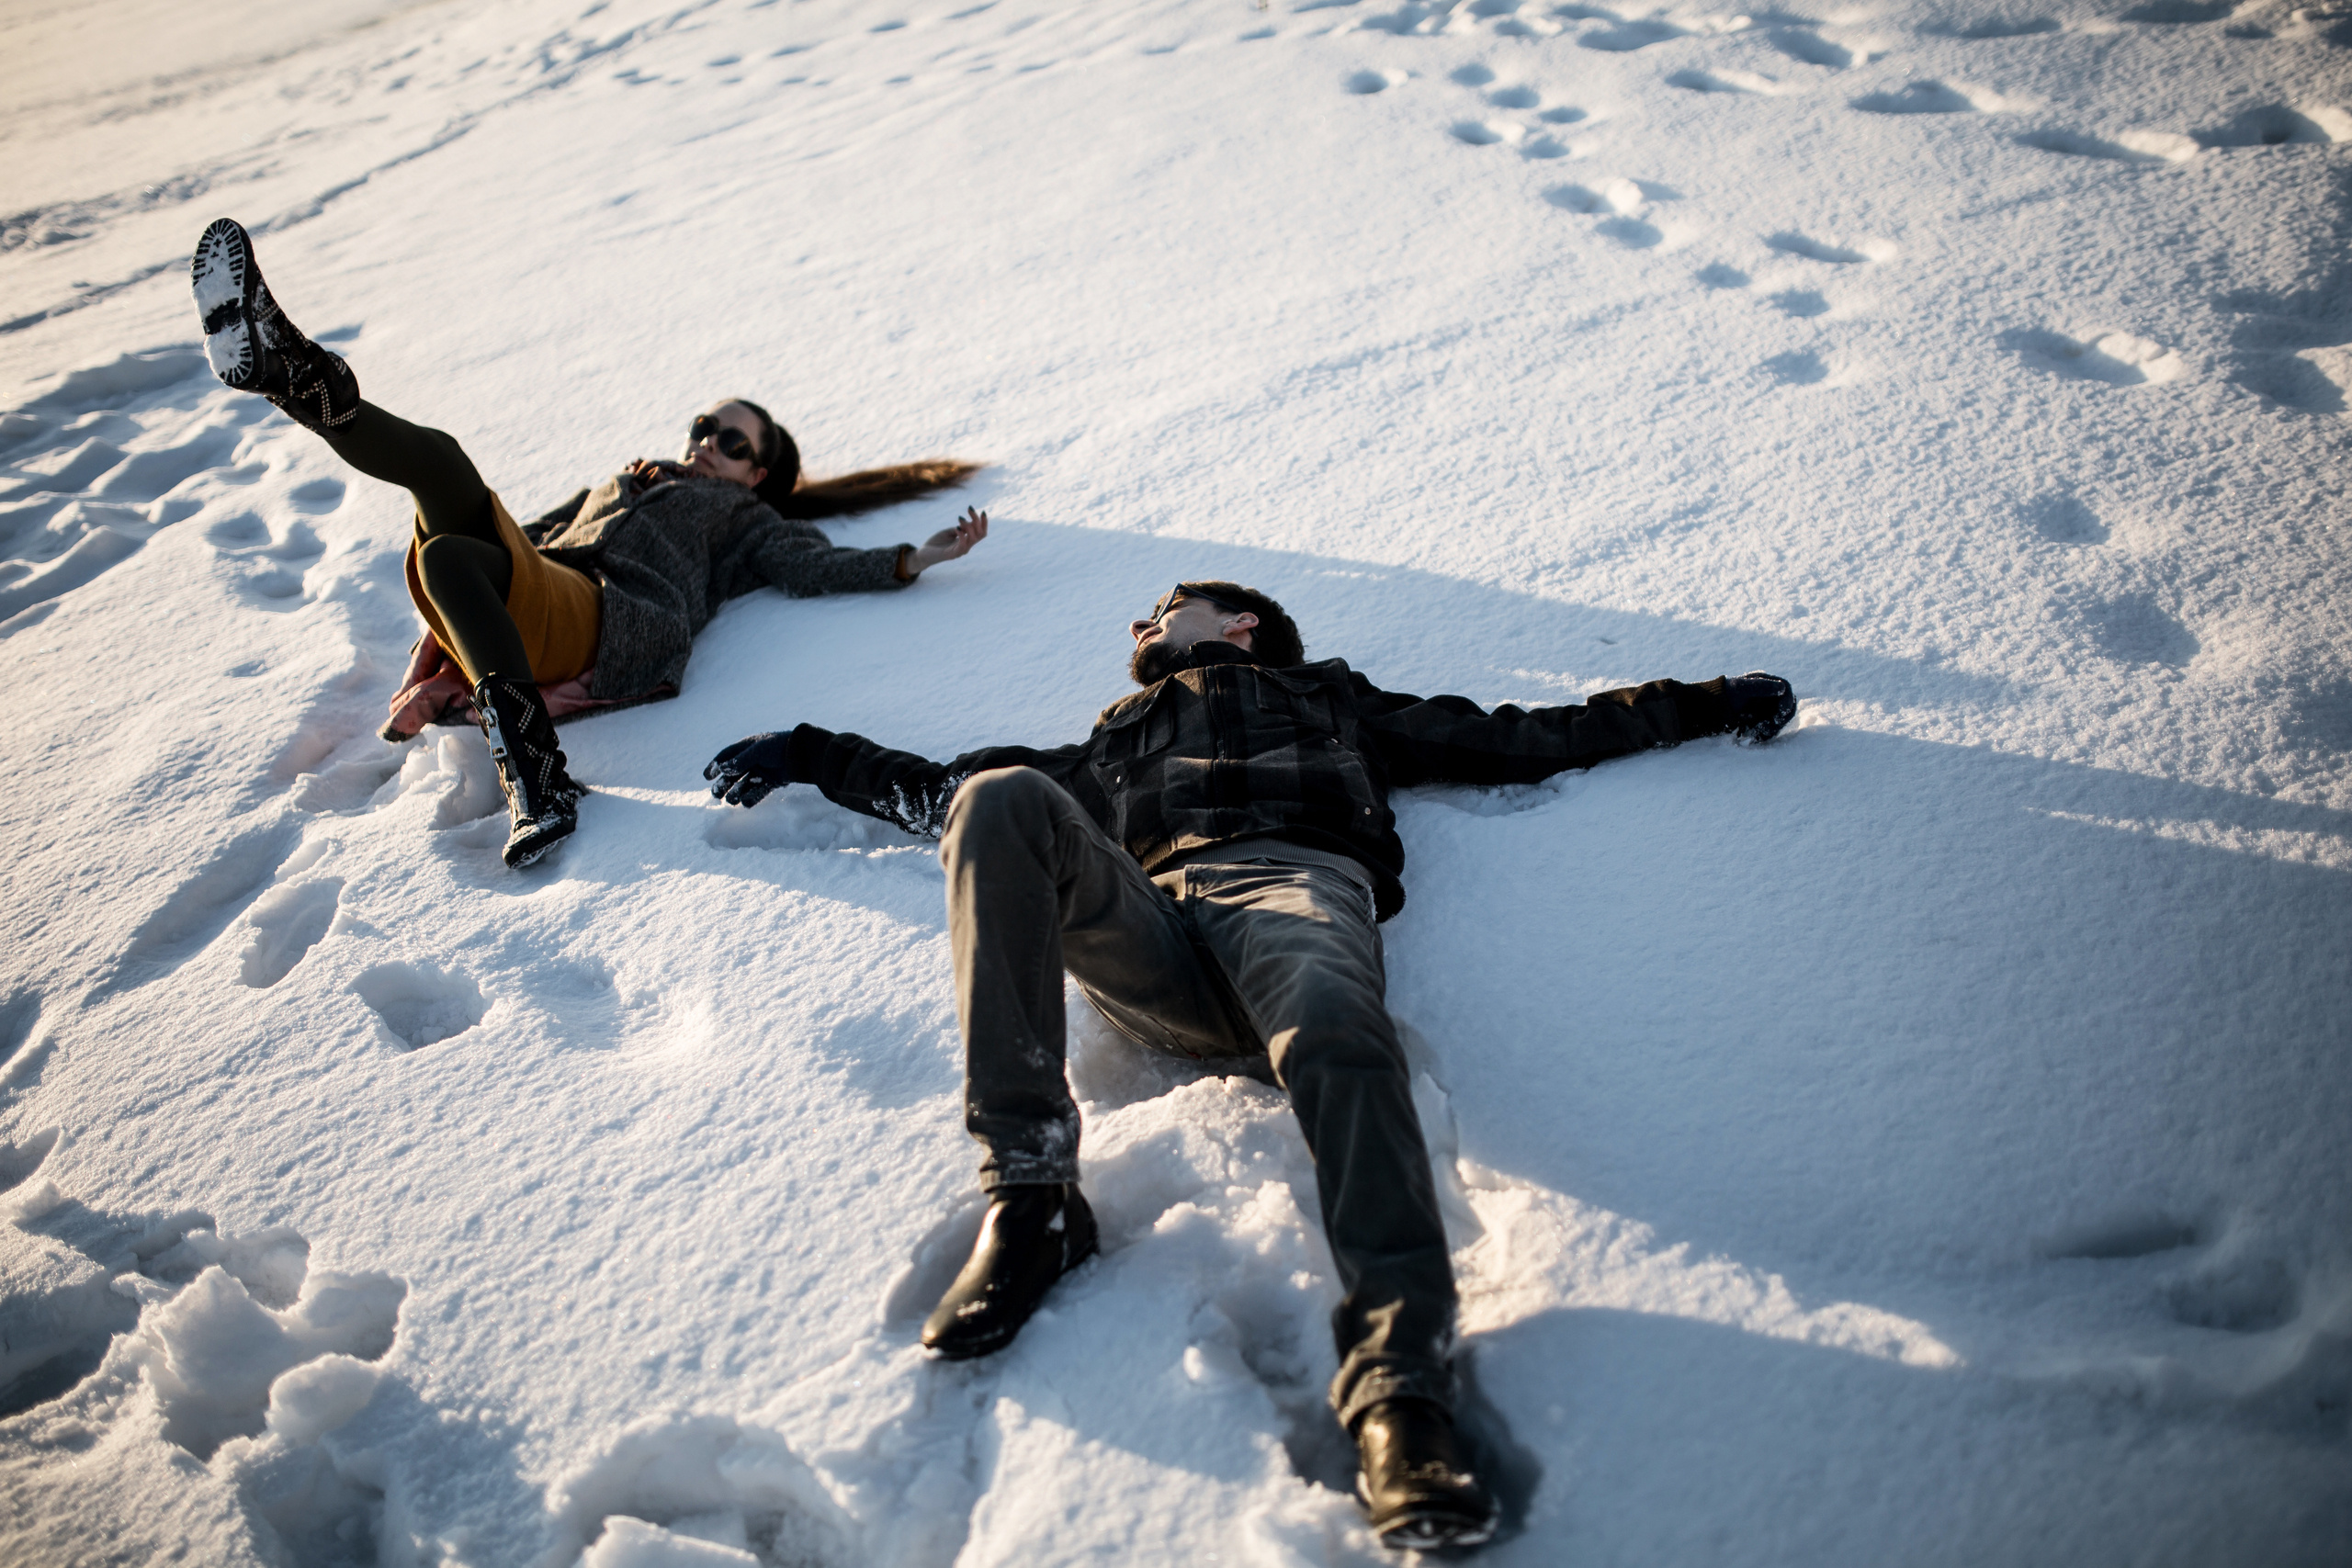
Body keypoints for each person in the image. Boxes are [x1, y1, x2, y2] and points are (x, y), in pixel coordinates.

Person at [702, 580, 1798, 1550]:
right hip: (1154, 946)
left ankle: (1401, 1394)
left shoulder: (1333, 701)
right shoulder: (1113, 741)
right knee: (998, 797)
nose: (1141, 621)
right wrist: (809, 752)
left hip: (1291, 893)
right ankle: (1032, 1195)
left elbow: (1530, 733)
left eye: (1165, 604)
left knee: (1334, 1026)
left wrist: (1703, 705)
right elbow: (942, 789)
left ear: (1243, 623)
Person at [187, 218, 989, 868]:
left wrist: (915, 557)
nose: (710, 442)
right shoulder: (634, 477)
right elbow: (537, 535)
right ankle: (284, 373)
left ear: (757, 476)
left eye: (733, 443)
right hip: (541, 589)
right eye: (705, 427)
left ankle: (290, 374)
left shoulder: (745, 520)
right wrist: (452, 611)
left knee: (441, 463)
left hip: (609, 618)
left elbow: (811, 567)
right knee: (444, 551)